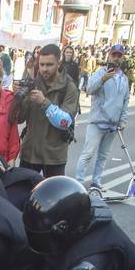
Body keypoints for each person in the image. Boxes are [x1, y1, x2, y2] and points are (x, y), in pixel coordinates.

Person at [16, 44, 79, 178]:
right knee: (24, 194)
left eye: (49, 65)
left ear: (59, 63)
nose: (44, 69)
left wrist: (44, 103)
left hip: (54, 157)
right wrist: (18, 99)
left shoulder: (69, 87)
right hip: (30, 153)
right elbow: (18, 119)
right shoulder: (33, 83)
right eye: (42, 64)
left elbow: (65, 122)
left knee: (54, 196)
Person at [75, 44, 130, 192]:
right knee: (87, 154)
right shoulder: (100, 73)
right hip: (97, 121)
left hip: (113, 123)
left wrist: (123, 120)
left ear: (122, 58)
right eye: (114, 55)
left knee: (103, 156)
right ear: (109, 56)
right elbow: (90, 89)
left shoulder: (124, 78)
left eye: (119, 56)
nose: (116, 58)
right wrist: (103, 79)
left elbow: (125, 101)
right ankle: (78, 183)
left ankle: (96, 182)